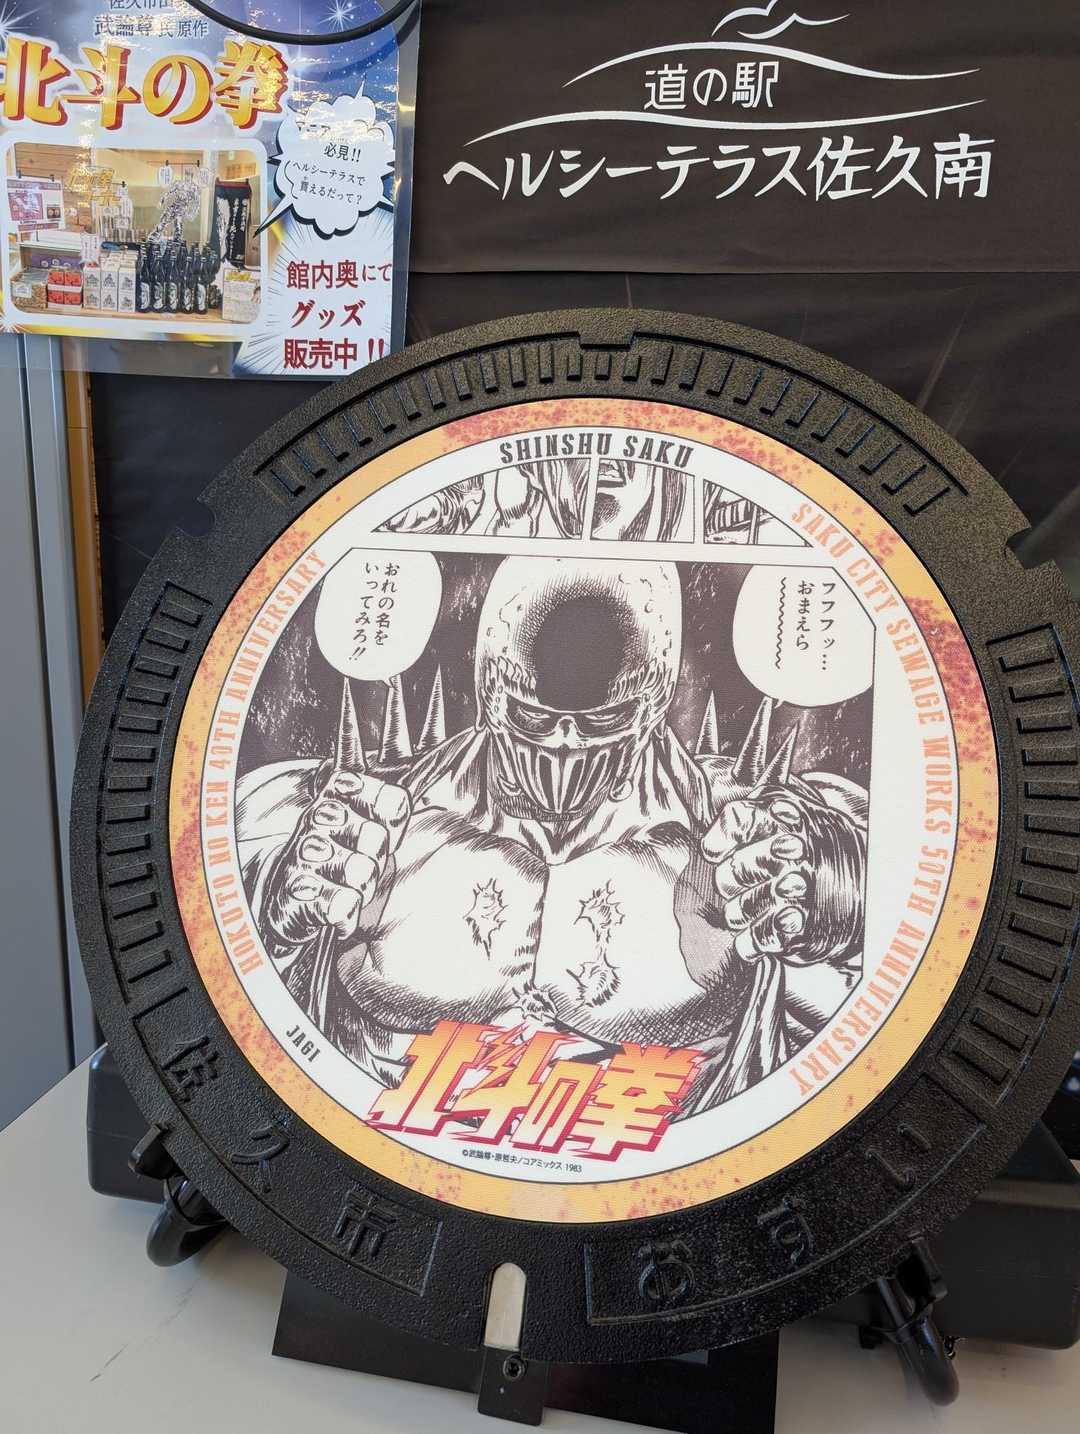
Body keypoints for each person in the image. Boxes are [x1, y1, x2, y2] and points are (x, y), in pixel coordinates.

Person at [236, 558, 866, 1115]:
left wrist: (835, 898)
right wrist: (279, 903)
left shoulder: (739, 838)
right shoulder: (363, 820)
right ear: (490, 690)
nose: (564, 745)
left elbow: (861, 1015)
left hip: (665, 1180)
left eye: (602, 719)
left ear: (653, 704)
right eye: (534, 717)